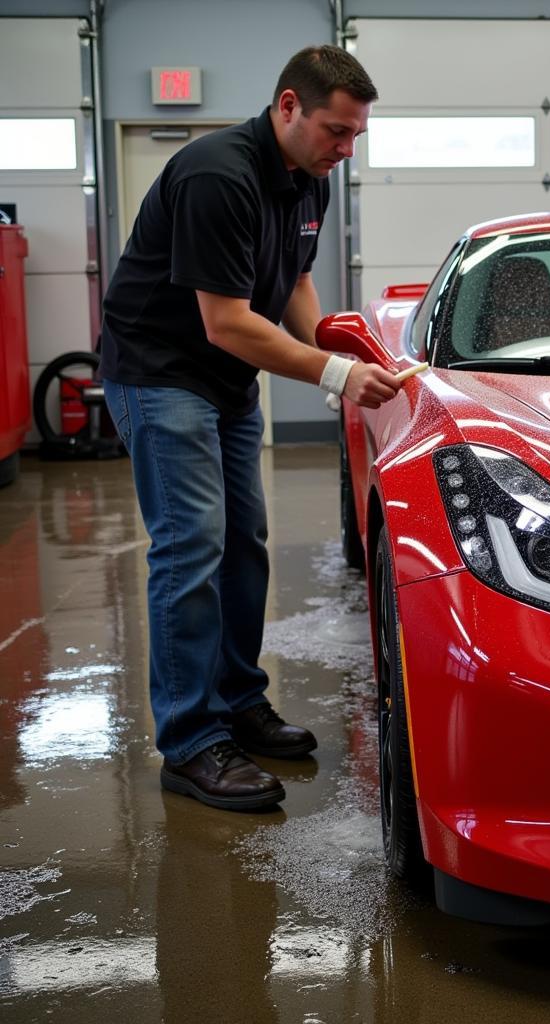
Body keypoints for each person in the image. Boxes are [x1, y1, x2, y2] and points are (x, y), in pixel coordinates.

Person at [100, 45, 400, 812]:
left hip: (225, 382)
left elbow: (294, 282)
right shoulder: (217, 174)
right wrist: (334, 377)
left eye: (356, 134)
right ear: (288, 107)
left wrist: (345, 345)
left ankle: (236, 700)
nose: (346, 148)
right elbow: (228, 321)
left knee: (244, 543)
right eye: (337, 130)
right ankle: (192, 742)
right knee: (191, 544)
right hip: (162, 372)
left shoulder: (310, 180)